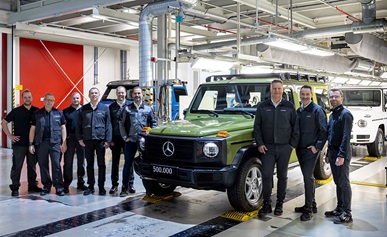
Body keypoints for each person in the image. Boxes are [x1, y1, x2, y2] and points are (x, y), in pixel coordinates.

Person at [253, 79, 299, 218]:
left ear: (283, 90)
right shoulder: (262, 106)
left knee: (282, 176)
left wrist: (291, 145)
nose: (277, 91)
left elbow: (295, 127)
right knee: (266, 175)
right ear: (270, 89)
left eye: (279, 88)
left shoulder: (289, 106)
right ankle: (266, 203)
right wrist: (260, 143)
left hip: (284, 148)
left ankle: (280, 203)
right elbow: (257, 127)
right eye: (274, 89)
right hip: (267, 148)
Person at [295, 85, 328, 221]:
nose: (304, 97)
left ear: (311, 94)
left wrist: (317, 147)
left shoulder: (317, 110)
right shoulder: (299, 111)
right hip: (300, 149)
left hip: (310, 150)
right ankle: (312, 204)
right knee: (306, 177)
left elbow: (324, 131)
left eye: (307, 94)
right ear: (299, 95)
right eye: (302, 94)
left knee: (308, 178)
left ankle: (308, 209)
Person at [1, 89, 42, 196]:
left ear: (32, 98)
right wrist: (9, 135)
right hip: (19, 144)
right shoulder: (16, 111)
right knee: (17, 166)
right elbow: (4, 122)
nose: (27, 99)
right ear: (22, 98)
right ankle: (15, 186)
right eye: (25, 97)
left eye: (29, 97)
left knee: (32, 165)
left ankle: (32, 185)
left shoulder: (37, 111)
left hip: (32, 144)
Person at [119, 86, 157, 197]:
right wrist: (125, 137)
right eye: (135, 94)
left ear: (142, 95)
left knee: (146, 165)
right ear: (132, 95)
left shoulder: (148, 109)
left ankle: (149, 189)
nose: (137, 96)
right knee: (127, 165)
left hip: (144, 141)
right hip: (130, 140)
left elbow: (154, 123)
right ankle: (124, 187)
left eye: (139, 93)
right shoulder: (127, 109)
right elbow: (121, 123)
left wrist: (151, 135)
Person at [29, 93, 67, 196]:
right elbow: (32, 129)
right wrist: (31, 144)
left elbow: (63, 128)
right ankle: (46, 185)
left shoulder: (59, 113)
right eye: (47, 100)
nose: (49, 102)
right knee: (43, 165)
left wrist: (64, 142)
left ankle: (59, 186)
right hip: (41, 144)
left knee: (56, 164)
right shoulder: (37, 114)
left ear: (54, 101)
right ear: (44, 101)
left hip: (55, 143)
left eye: (51, 100)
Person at [324, 88, 353, 224]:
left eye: (336, 96)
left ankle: (347, 213)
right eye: (331, 97)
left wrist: (341, 155)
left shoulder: (345, 114)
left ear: (342, 98)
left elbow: (346, 137)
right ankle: (340, 208)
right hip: (333, 152)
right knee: (337, 183)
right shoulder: (333, 114)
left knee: (344, 183)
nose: (333, 99)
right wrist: (329, 154)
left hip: (342, 153)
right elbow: (331, 135)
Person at [76, 87, 112, 196]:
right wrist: (80, 139)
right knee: (89, 164)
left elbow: (108, 125)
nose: (94, 95)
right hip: (88, 141)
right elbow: (78, 126)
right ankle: (90, 186)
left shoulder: (104, 108)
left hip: (100, 141)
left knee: (101, 164)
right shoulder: (83, 109)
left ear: (99, 94)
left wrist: (108, 140)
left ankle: (101, 187)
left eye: (96, 93)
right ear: (89, 95)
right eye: (92, 93)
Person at [62, 92, 87, 193]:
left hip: (82, 138)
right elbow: (63, 127)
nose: (76, 100)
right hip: (70, 138)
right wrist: (64, 141)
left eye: (77, 98)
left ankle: (80, 182)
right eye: (74, 98)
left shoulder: (85, 110)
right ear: (70, 99)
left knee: (81, 161)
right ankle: (66, 183)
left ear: (80, 98)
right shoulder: (66, 112)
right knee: (68, 162)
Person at [108, 86, 130, 195]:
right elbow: (109, 124)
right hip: (115, 138)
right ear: (116, 94)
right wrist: (109, 138)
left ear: (125, 93)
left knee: (128, 162)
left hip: (127, 139)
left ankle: (129, 184)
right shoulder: (111, 107)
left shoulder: (130, 106)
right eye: (119, 93)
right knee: (115, 163)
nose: (120, 94)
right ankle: (114, 185)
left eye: (122, 92)